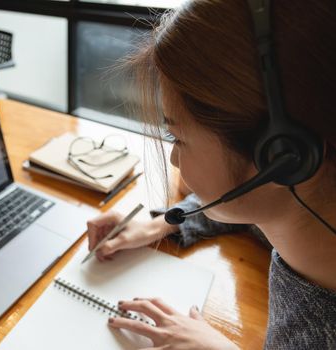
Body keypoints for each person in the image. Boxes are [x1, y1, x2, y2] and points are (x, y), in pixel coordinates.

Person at [87, 1, 336, 349]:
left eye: (178, 138)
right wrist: (168, 223)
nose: (174, 159)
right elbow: (260, 205)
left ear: (280, 157)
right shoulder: (311, 219)